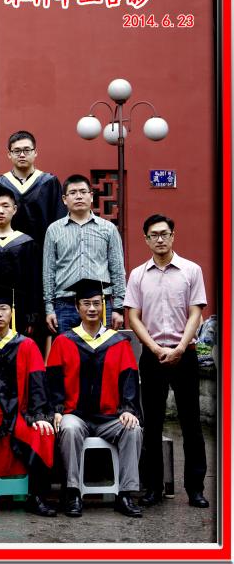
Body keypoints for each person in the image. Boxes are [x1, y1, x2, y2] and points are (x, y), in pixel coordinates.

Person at [125, 213, 210, 509]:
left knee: (191, 423)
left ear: (173, 235)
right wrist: (154, 348)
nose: (160, 239)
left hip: (184, 354)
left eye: (164, 234)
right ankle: (153, 488)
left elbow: (196, 312)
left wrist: (180, 348)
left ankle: (195, 489)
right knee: (152, 423)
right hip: (152, 356)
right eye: (154, 235)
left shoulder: (191, 270)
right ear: (146, 240)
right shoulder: (138, 275)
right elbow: (133, 317)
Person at [47, 279, 143, 519]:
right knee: (68, 428)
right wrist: (57, 409)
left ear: (104, 307)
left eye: (97, 303)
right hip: (75, 415)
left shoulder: (118, 342)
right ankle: (72, 493)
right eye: (86, 303)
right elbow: (54, 381)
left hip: (110, 417)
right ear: (77, 307)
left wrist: (128, 409)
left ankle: (126, 494)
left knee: (132, 429)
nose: (92, 308)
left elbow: (129, 380)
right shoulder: (63, 341)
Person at [0, 285, 56, 519]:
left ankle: (38, 497)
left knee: (42, 432)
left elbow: (37, 382)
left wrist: (38, 415)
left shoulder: (27, 345)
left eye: (3, 308)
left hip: (22, 414)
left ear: (11, 312)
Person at [43, 174, 126, 335]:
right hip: (64, 305)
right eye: (73, 193)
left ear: (91, 196)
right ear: (64, 199)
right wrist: (49, 308)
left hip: (100, 303)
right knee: (67, 350)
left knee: (102, 349)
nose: (79, 196)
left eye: (83, 191)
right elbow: (48, 272)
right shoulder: (54, 230)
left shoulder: (108, 229)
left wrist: (118, 307)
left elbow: (117, 269)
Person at [0, 185, 43, 339]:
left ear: (15, 209)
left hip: (21, 312)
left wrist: (32, 313)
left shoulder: (27, 243)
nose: (1, 211)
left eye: (6, 206)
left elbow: (34, 282)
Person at [0, 130, 66, 246]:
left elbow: (59, 219)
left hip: (43, 248)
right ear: (9, 154)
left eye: (27, 150)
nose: (22, 155)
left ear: (35, 152)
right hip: (8, 250)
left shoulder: (49, 182)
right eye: (17, 151)